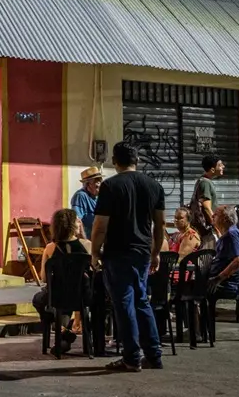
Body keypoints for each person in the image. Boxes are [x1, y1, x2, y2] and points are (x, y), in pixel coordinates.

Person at [90, 142, 166, 372]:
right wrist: (156, 252)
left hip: (117, 252)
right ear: (137, 160)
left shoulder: (110, 186)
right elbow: (160, 224)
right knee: (141, 300)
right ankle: (154, 355)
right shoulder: (154, 186)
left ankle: (131, 357)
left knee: (123, 303)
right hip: (142, 251)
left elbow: (100, 225)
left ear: (115, 161)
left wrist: (95, 251)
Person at [31, 209, 91, 356]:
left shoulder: (50, 248)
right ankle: (66, 332)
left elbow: (44, 278)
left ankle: (62, 330)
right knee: (68, 301)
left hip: (57, 296)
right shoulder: (88, 245)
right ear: (74, 225)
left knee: (38, 300)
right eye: (77, 221)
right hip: (82, 296)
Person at [208, 205, 239, 299]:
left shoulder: (232, 234)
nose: (212, 216)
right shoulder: (230, 233)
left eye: (216, 214)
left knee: (186, 287)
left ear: (225, 219)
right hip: (224, 281)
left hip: (227, 284)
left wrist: (218, 278)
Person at [190, 154, 225, 248]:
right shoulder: (205, 183)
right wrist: (217, 229)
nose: (223, 166)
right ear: (212, 169)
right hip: (207, 230)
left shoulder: (203, 181)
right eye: (220, 165)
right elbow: (206, 208)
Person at [70, 167, 102, 238]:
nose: (99, 188)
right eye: (96, 186)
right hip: (87, 236)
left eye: (100, 182)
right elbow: (77, 220)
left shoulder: (98, 196)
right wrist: (84, 240)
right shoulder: (80, 196)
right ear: (87, 185)